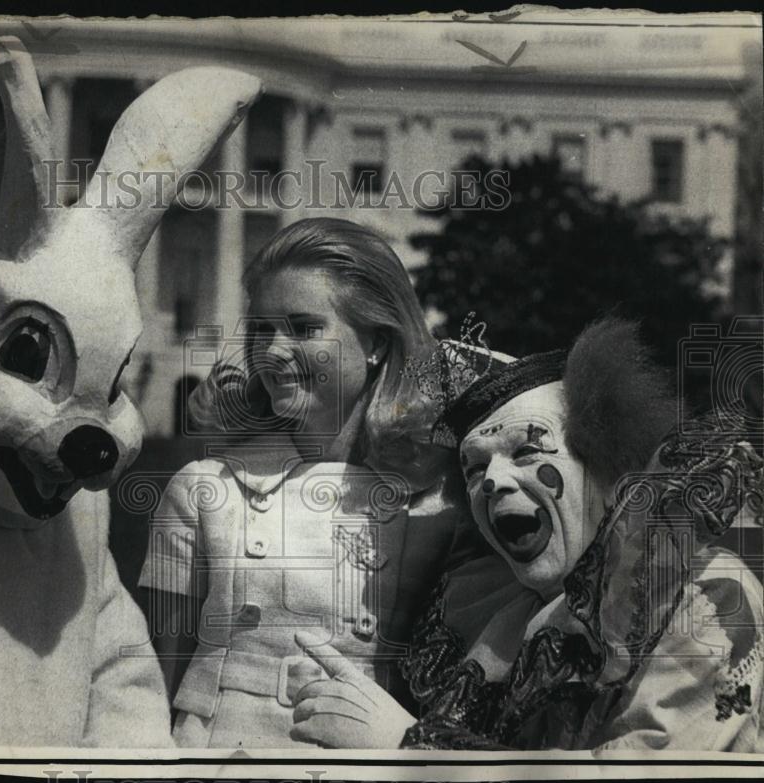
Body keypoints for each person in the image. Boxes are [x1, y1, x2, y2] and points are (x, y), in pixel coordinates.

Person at [289, 318, 764, 751]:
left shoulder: (700, 596)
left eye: (526, 450)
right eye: (474, 468)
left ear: (600, 459)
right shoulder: (499, 619)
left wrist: (409, 749)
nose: (491, 481)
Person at [137, 218, 491, 747]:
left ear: (375, 341)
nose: (273, 350)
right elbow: (152, 682)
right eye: (261, 329)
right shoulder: (201, 490)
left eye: (303, 328)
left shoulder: (441, 502)